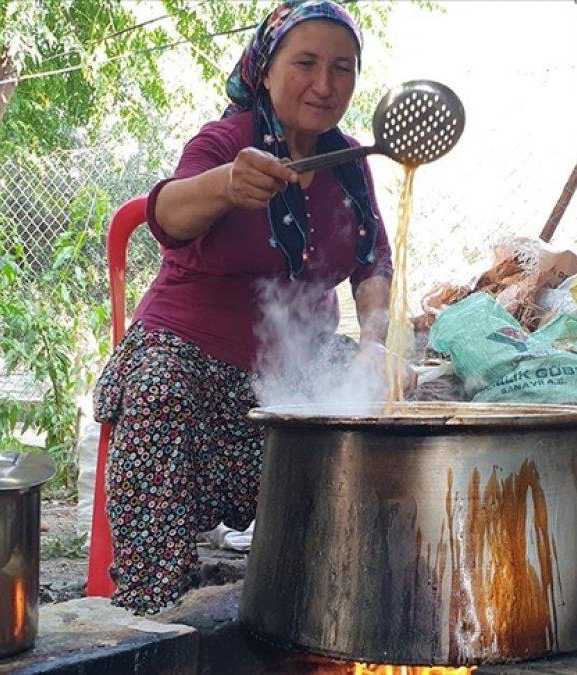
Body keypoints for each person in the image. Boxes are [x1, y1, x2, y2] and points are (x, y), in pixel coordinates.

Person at [92, 0, 394, 615]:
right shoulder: (226, 141)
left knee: (402, 400)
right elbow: (167, 216)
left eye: (342, 67)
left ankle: (337, 595)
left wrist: (375, 343)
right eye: (305, 62)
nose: (324, 83)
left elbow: (372, 263)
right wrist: (227, 183)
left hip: (295, 375)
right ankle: (157, 616)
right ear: (266, 66)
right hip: (192, 360)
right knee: (157, 388)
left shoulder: (351, 163)